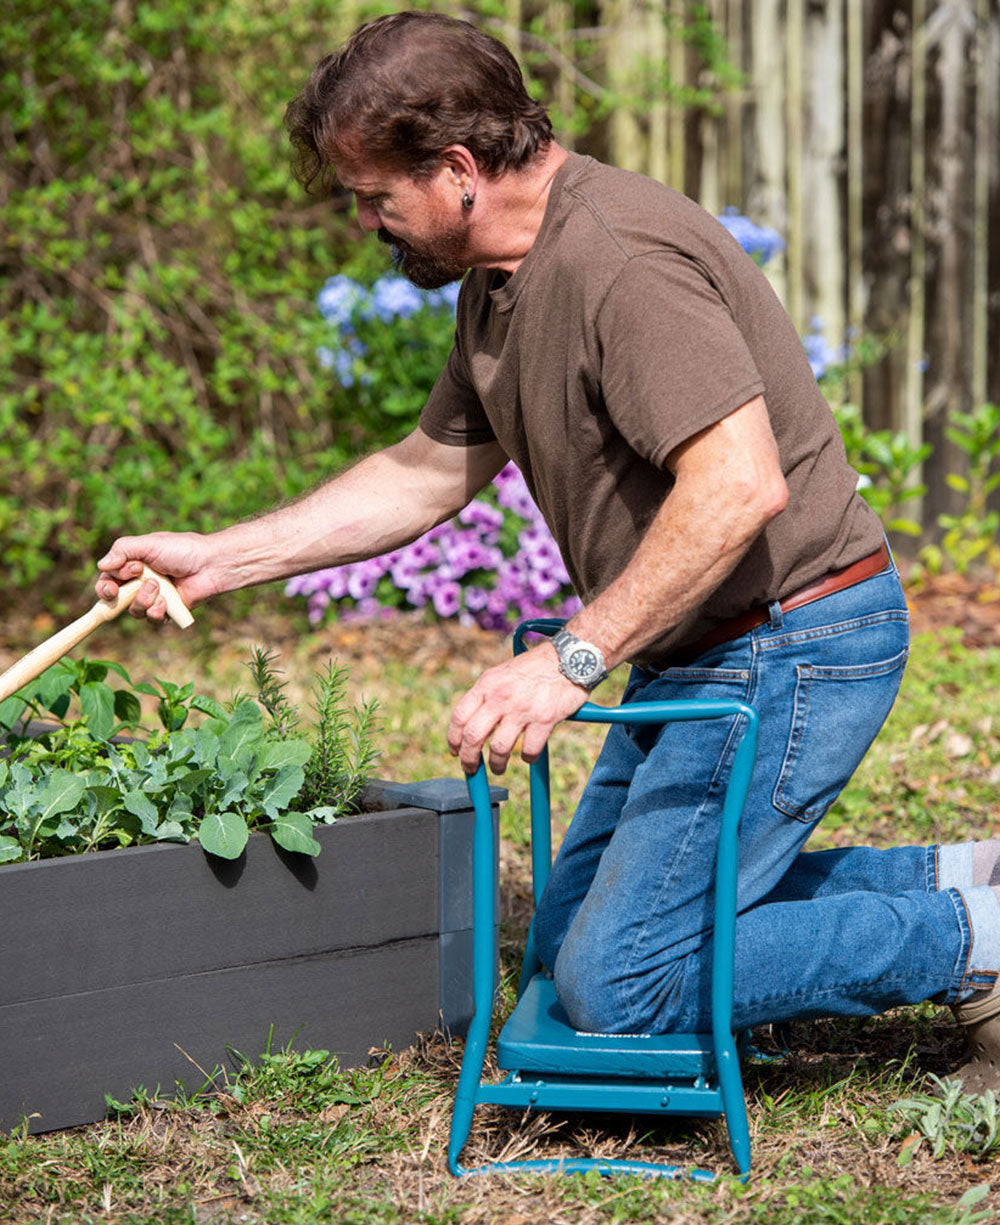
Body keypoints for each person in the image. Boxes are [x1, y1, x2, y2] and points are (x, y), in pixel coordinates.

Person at [96, 10, 1000, 1090]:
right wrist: (220, 558)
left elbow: (738, 482)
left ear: (460, 169)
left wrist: (572, 657)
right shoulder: (498, 280)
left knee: (623, 988)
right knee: (566, 949)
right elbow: (425, 471)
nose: (366, 220)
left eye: (378, 196)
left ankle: (969, 946)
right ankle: (972, 880)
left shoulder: (618, 261)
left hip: (796, 641)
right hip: (708, 649)